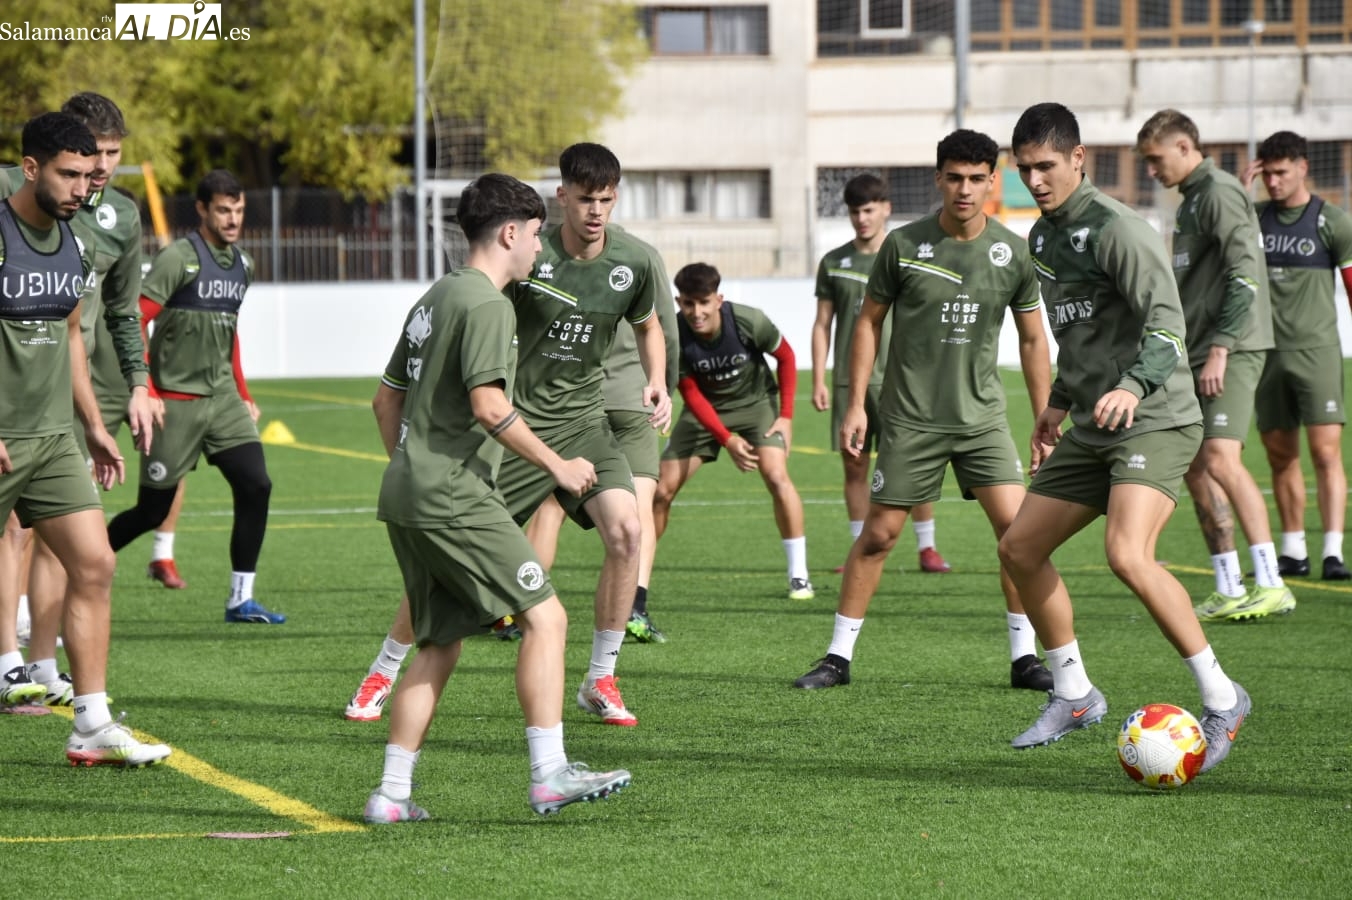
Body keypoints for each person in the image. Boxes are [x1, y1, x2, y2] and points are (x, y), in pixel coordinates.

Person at [363, 173, 630, 822]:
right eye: (536, 235)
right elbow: (488, 406)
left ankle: (391, 794)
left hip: (406, 491)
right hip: (453, 495)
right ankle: (549, 774)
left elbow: (385, 400)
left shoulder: (436, 295)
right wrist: (558, 465)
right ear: (510, 233)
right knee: (548, 618)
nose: (540, 247)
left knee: (439, 641)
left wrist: (413, 466)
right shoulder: (488, 305)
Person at [996, 102, 1248, 774]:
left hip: (1157, 416)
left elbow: (1168, 327)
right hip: (1092, 423)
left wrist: (1133, 387)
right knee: (1019, 548)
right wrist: (1056, 405)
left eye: (1046, 166)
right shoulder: (1042, 239)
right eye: (1024, 170)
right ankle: (1075, 693)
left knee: (1127, 554)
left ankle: (1224, 698)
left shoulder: (1119, 230)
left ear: (1078, 159)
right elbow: (1078, 335)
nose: (1035, 180)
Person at [793, 130, 1055, 693]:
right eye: (954, 178)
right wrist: (856, 404)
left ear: (993, 181)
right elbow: (867, 323)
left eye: (977, 179)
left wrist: (1044, 416)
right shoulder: (904, 245)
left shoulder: (1012, 251)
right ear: (938, 179)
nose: (965, 189)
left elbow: (1034, 340)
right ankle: (837, 658)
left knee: (1019, 537)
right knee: (879, 537)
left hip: (982, 421)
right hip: (911, 419)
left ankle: (1025, 659)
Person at [0, 111, 170, 764]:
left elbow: (73, 334)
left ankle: (92, 725)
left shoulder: (73, 241)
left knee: (95, 564)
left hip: (52, 440)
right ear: (31, 168)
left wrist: (95, 426)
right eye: (68, 174)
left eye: (89, 173)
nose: (83, 187)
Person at [495, 143, 671, 728]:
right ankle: (386, 667)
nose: (596, 211)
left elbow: (649, 327)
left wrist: (656, 380)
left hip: (585, 423)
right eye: (586, 199)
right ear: (562, 196)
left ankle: (600, 679)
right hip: (519, 427)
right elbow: (484, 314)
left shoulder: (633, 263)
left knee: (627, 532)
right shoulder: (532, 256)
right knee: (452, 551)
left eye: (606, 200)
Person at [105, 169, 284, 624]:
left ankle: (240, 599)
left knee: (256, 484)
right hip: (174, 401)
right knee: (152, 511)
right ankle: (82, 564)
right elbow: (135, 319)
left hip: (222, 400)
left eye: (238, 210)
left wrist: (243, 393)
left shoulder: (243, 265)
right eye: (223, 210)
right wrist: (145, 389)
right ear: (202, 209)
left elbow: (229, 331)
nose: (233, 219)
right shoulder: (177, 260)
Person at [1135, 109, 1293, 623]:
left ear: (1184, 147)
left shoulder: (1219, 192)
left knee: (1222, 458)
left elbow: (1245, 274)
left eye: (1155, 159)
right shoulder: (1194, 198)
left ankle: (1272, 583)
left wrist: (1223, 346)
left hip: (1232, 347)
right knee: (1197, 466)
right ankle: (1229, 585)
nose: (1151, 171)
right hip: (1198, 348)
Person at [524, 227, 680, 644]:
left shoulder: (547, 250)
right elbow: (665, 329)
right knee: (639, 507)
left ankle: (518, 604)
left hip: (567, 400)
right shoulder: (644, 255)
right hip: (631, 398)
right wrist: (664, 387)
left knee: (549, 506)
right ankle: (635, 609)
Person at [811, 173, 951, 575]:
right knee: (855, 467)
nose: (862, 218)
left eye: (869, 210)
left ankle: (927, 548)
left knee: (914, 464)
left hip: (901, 381)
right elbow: (822, 324)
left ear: (886, 209)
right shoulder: (833, 262)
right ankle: (859, 548)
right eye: (855, 211)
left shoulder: (909, 255)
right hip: (850, 383)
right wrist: (819, 379)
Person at [652, 262, 815, 600]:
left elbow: (786, 357)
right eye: (688, 303)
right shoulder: (674, 335)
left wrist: (786, 416)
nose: (697, 312)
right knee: (661, 491)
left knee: (776, 476)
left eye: (704, 302)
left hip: (756, 405)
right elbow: (690, 392)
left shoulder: (748, 320)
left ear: (719, 299)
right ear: (679, 301)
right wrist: (726, 440)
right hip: (705, 412)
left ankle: (799, 575)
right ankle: (637, 575)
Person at [1241, 131, 1352, 582]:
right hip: (1265, 356)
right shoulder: (1252, 218)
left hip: (1317, 353)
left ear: (1303, 168)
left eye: (1281, 172)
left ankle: (1333, 553)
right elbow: (1218, 244)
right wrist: (1240, 192)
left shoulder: (1332, 222)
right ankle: (1292, 550)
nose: (1273, 182)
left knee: (1325, 453)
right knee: (1279, 455)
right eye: (1266, 173)